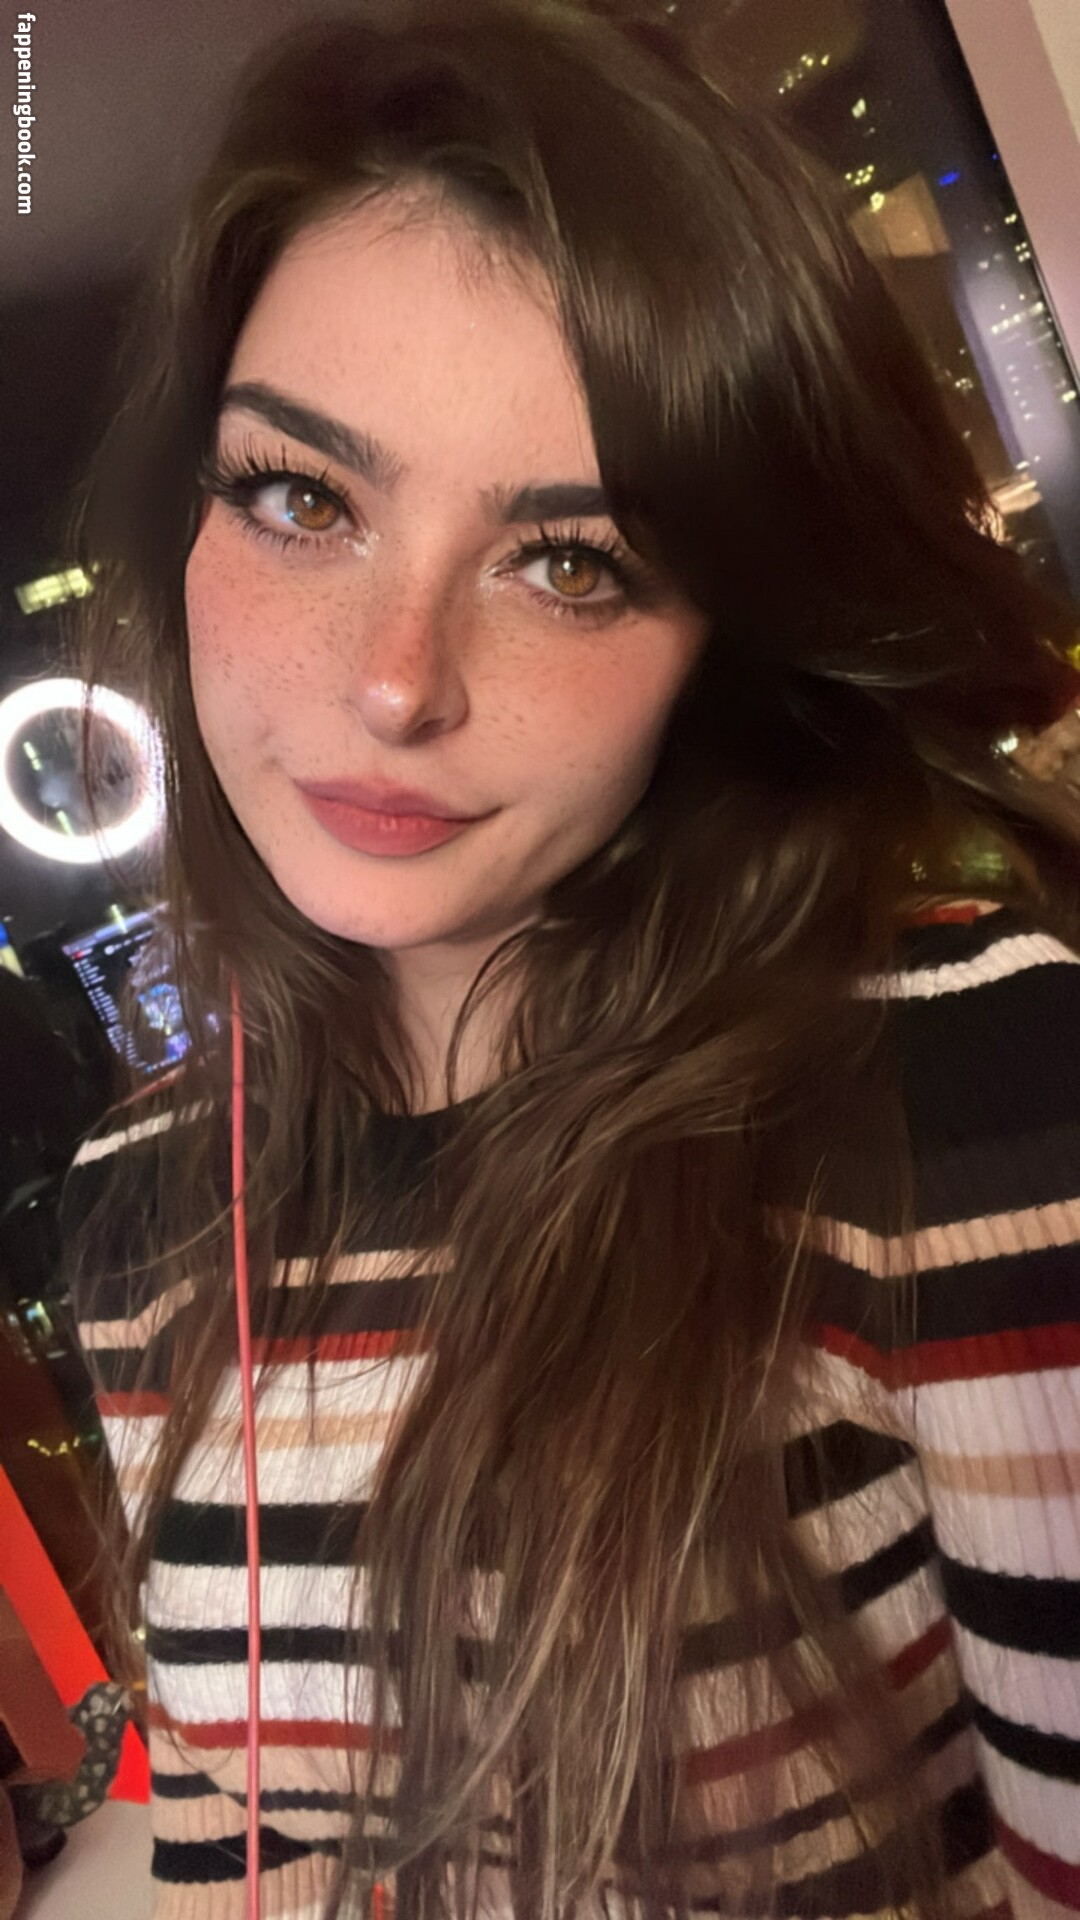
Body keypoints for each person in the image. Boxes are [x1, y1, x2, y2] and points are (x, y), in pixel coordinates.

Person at [58, 2, 1080, 1916]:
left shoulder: (965, 1094)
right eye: (302, 498)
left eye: (570, 562)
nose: (396, 682)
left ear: (727, 639)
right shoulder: (146, 1194)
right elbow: (235, 1841)